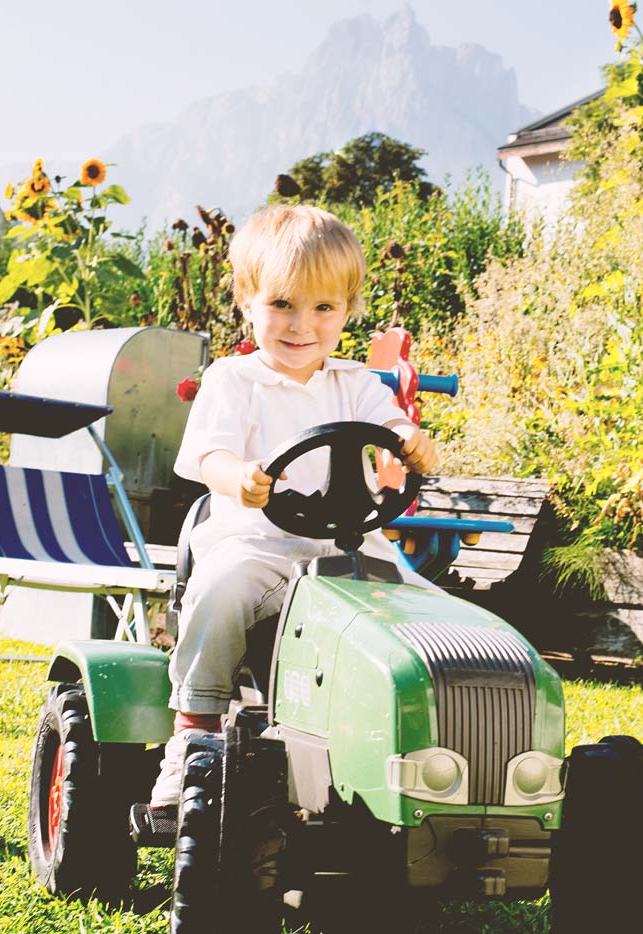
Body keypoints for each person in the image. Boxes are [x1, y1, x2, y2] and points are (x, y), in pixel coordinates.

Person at [139, 204, 438, 823]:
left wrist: (412, 439)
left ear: (347, 312)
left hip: (349, 550)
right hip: (256, 544)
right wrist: (237, 478)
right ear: (247, 301)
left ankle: (421, 751)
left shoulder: (354, 382)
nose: (303, 325)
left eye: (323, 309)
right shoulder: (233, 379)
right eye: (283, 305)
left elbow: (393, 425)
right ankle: (193, 732)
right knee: (221, 593)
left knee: (430, 614)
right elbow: (203, 454)